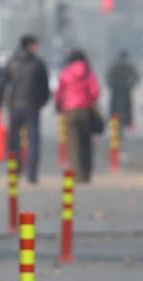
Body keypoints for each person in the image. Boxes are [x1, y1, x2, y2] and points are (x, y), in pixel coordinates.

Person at [0, 35, 49, 183]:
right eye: (35, 45)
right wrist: (42, 101)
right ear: (29, 46)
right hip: (32, 106)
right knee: (33, 140)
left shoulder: (12, 62)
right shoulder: (38, 64)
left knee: (14, 139)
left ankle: (15, 169)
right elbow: (45, 86)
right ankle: (31, 173)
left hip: (15, 106)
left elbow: (2, 83)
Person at [56, 49, 101, 183]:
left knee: (73, 144)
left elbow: (59, 92)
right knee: (86, 142)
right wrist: (89, 100)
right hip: (85, 111)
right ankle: (86, 173)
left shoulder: (65, 73)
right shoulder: (88, 73)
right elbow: (95, 91)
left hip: (70, 111)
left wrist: (59, 106)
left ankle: (77, 174)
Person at [106, 50, 138, 130]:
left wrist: (111, 84)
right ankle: (126, 122)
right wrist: (131, 84)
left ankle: (115, 121)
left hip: (119, 89)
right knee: (125, 106)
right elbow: (136, 77)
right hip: (122, 89)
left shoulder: (115, 65)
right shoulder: (128, 66)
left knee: (115, 106)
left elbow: (108, 76)